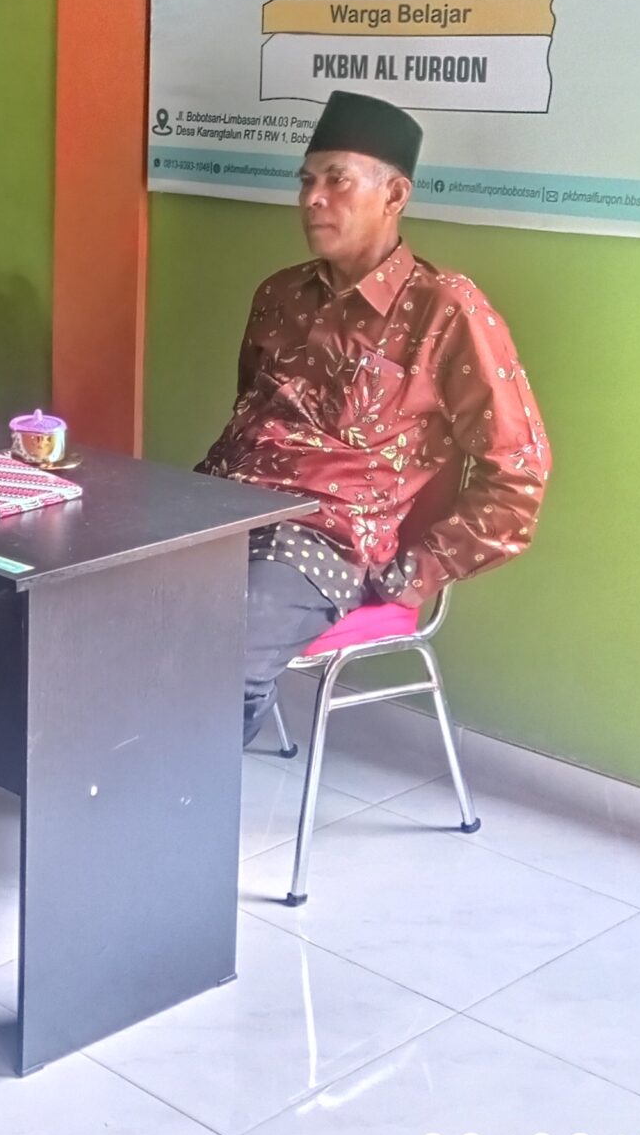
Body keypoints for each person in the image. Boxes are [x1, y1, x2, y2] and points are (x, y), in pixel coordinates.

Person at [198, 91, 549, 746]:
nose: (312, 199)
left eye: (337, 180)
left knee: (211, 657)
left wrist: (416, 572)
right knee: (98, 602)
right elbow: (249, 414)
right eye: (306, 180)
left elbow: (518, 473)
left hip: (322, 544)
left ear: (394, 195)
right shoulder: (279, 295)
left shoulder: (448, 312)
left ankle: (172, 795)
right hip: (217, 511)